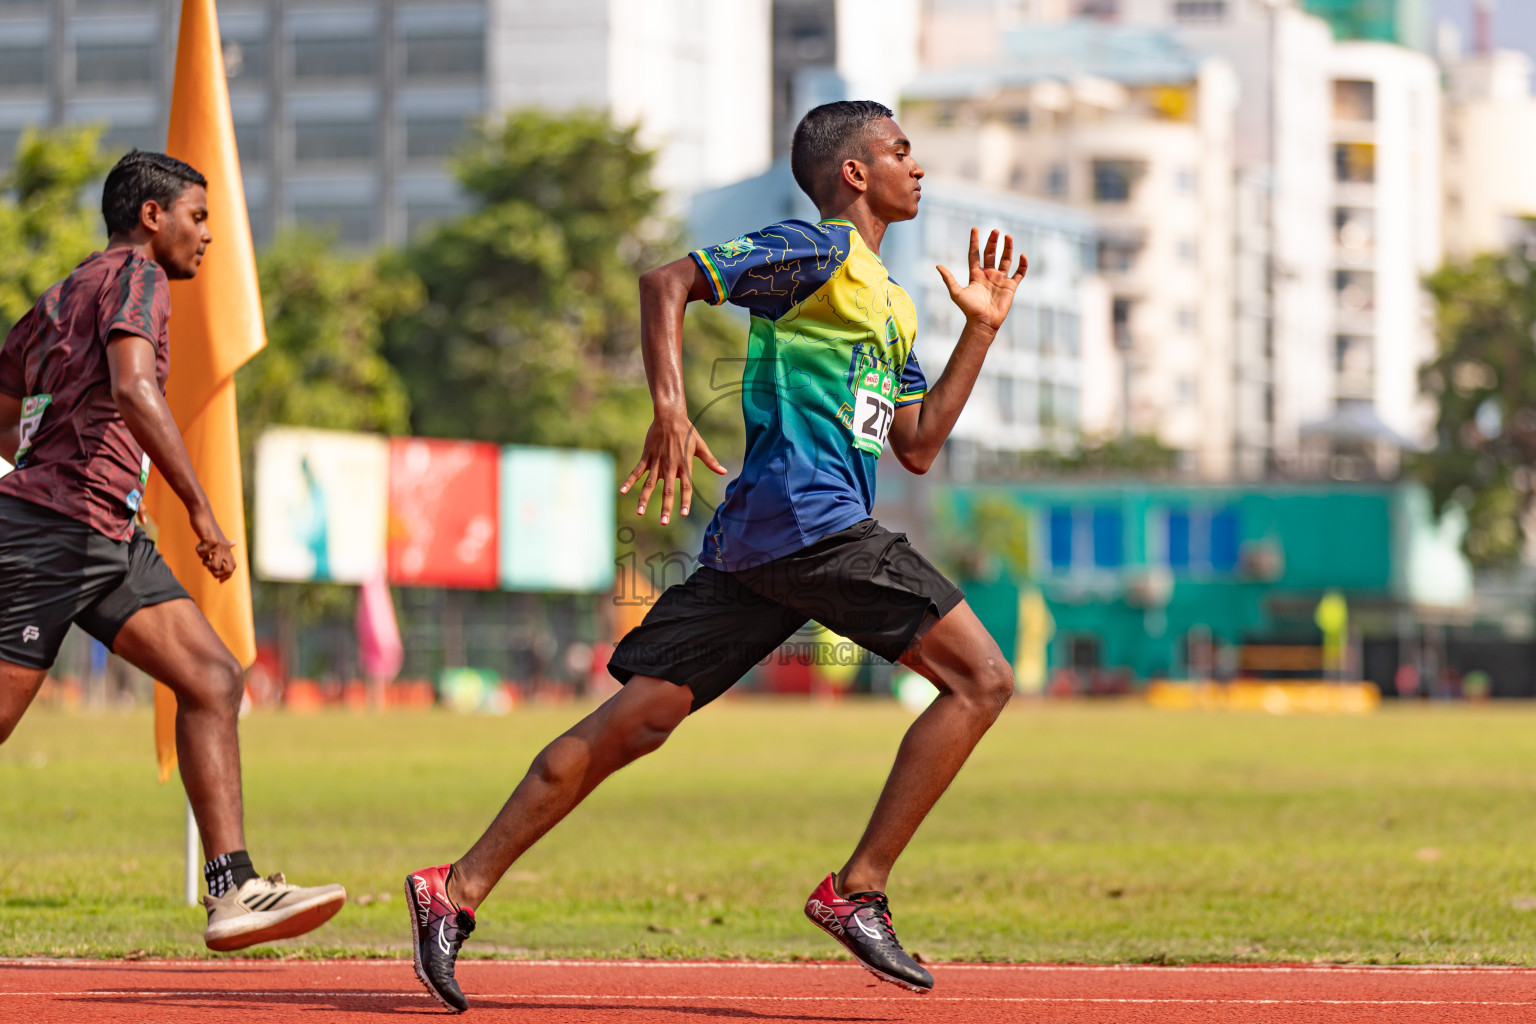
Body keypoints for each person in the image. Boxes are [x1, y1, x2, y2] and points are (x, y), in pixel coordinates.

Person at [406, 99, 1026, 1012]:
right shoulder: (813, 252)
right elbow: (668, 281)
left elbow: (920, 443)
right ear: (854, 173)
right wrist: (668, 405)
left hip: (766, 547)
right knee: (983, 681)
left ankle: (450, 891)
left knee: (638, 720)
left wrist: (980, 329)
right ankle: (855, 889)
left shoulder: (892, 308)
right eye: (902, 151)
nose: (917, 167)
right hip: (810, 526)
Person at [0, 151, 345, 951]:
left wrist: (23, 465)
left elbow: (7, 383)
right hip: (57, 531)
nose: (209, 234)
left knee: (213, 677)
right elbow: (132, 386)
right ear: (151, 216)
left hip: (105, 534)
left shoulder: (59, 293)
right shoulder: (136, 278)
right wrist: (201, 511)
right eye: (198, 215)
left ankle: (232, 889)